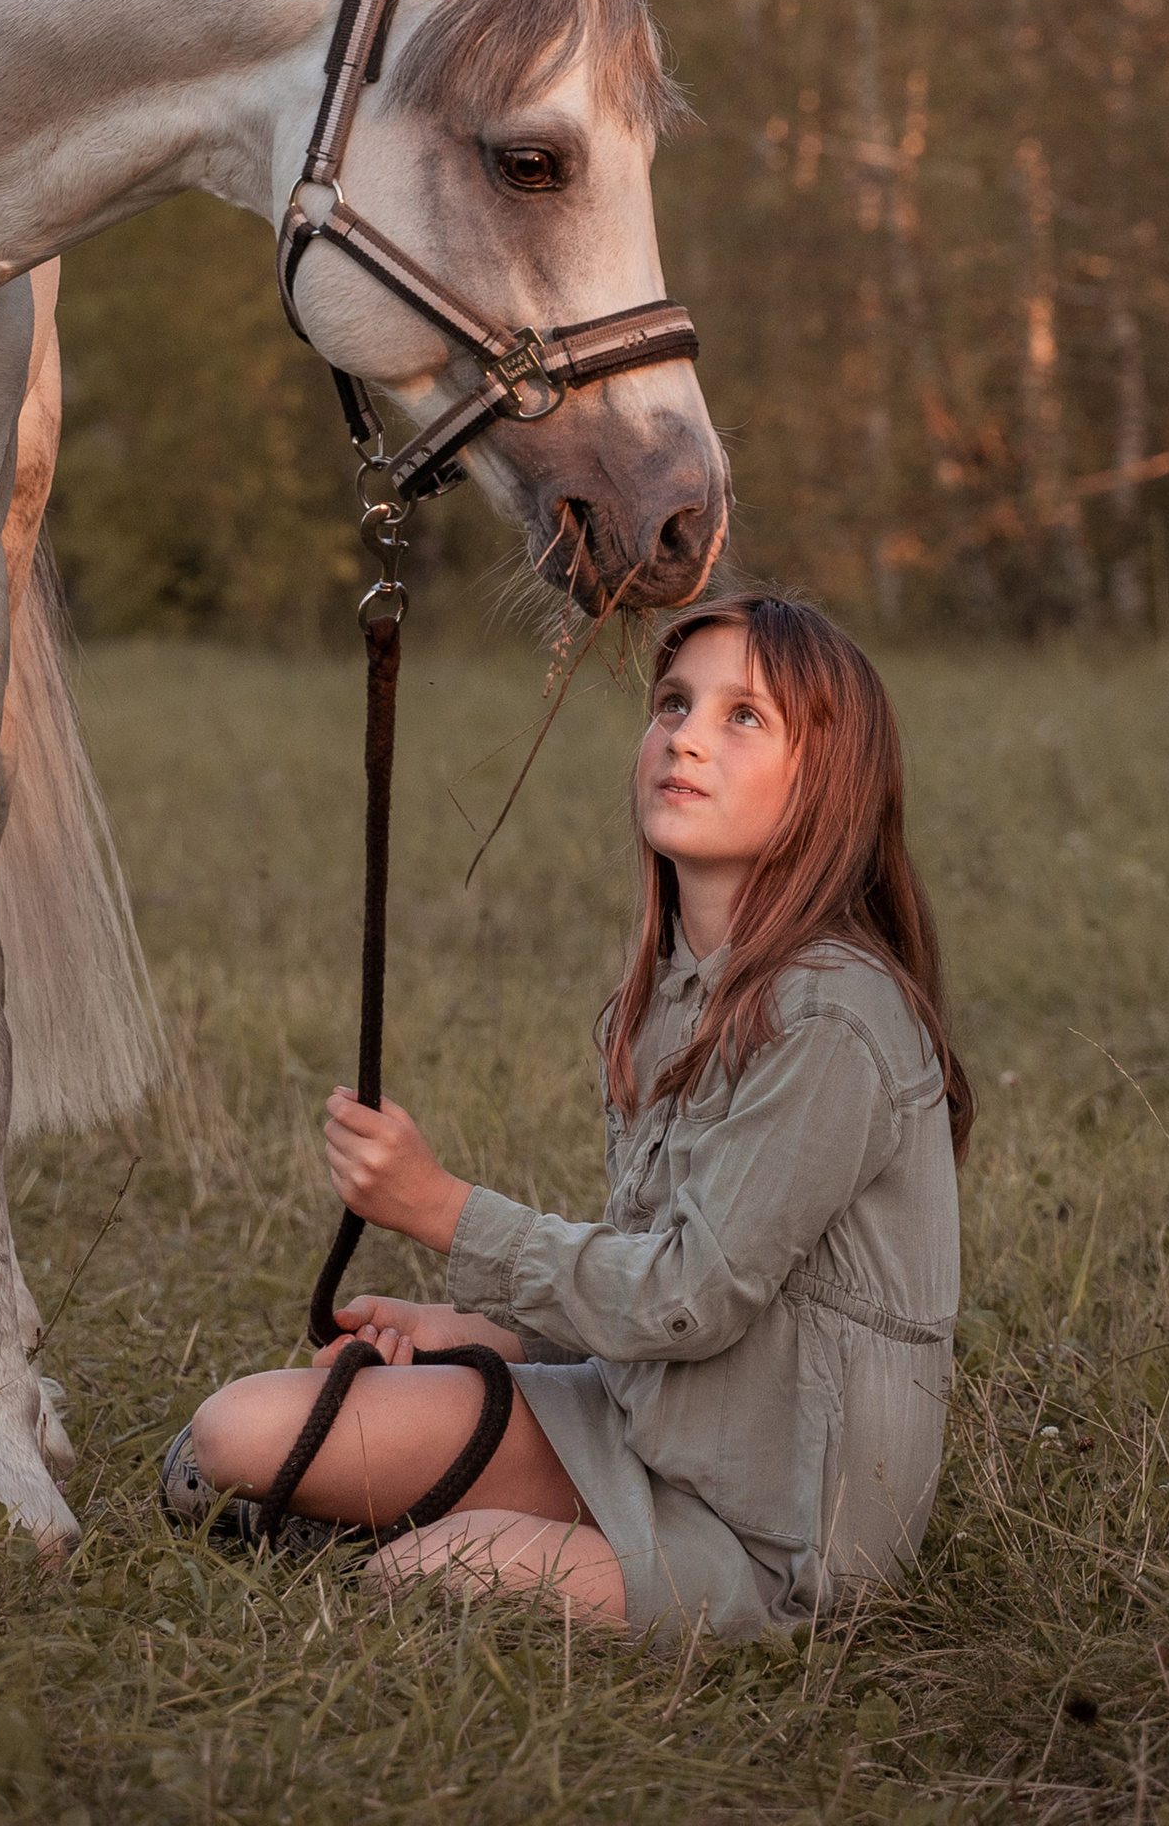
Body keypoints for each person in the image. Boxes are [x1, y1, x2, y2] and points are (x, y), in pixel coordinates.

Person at [159, 592, 972, 1644]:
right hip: (634, 1425)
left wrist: (446, 1211)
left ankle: (469, 1536)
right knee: (233, 1435)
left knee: (419, 1576)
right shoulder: (666, 997)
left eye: (742, 716)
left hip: (773, 1530)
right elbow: (653, 1262)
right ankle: (455, 1509)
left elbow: (689, 1300)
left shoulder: (833, 1015)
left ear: (831, 782)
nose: (683, 733)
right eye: (673, 702)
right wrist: (490, 1330)